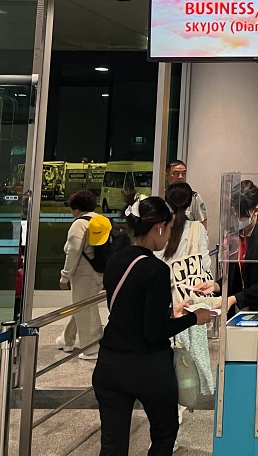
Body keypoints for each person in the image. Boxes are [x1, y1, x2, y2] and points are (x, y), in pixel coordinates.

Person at [92, 196, 212, 456]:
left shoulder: (115, 260)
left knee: (112, 444)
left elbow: (126, 308)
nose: (169, 236)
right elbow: (154, 331)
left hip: (110, 363)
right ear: (159, 227)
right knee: (164, 433)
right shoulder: (156, 269)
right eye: (168, 229)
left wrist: (168, 312)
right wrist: (194, 318)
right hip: (148, 367)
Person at [157, 183, 216, 424]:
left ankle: (167, 406)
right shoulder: (197, 229)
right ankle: (182, 404)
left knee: (167, 355)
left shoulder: (162, 228)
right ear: (191, 202)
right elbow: (204, 264)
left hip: (167, 300)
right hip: (190, 300)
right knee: (188, 358)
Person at [194, 180, 258, 313]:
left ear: (256, 210)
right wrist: (216, 285)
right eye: (234, 212)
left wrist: (235, 299)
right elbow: (235, 277)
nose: (236, 218)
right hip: (235, 311)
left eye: (241, 215)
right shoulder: (233, 235)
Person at [56, 189, 106, 361]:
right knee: (80, 305)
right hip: (97, 270)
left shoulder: (79, 224)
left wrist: (64, 277)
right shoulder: (100, 220)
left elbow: (73, 251)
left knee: (86, 309)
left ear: (76, 209)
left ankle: (93, 347)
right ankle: (67, 339)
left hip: (84, 273)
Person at [165, 159, 207, 227]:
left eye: (184, 173)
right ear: (166, 175)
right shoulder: (162, 197)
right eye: (176, 173)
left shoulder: (194, 198)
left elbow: (202, 224)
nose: (181, 177)